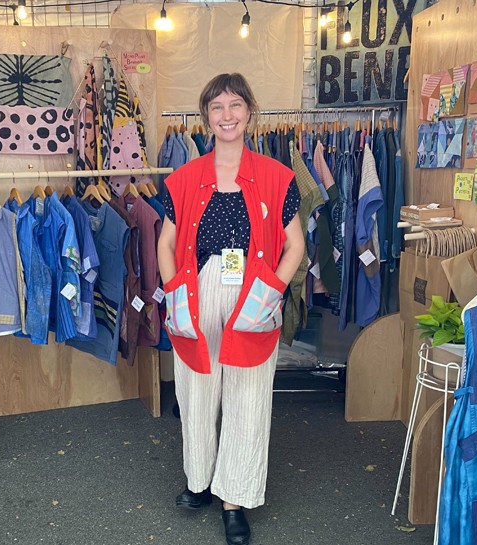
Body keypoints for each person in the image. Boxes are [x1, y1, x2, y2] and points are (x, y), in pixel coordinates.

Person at [157, 73, 306, 545]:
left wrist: (272, 294)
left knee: (248, 393)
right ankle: (199, 481)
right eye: (217, 107)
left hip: (254, 291)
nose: (226, 115)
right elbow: (166, 243)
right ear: (206, 116)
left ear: (249, 111)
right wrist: (173, 291)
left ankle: (235, 497)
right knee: (196, 390)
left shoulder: (278, 177)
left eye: (235, 105)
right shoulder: (181, 179)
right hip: (197, 289)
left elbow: (296, 244)